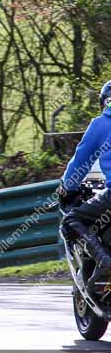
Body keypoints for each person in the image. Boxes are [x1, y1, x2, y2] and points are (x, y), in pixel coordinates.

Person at [59, 80, 111, 287]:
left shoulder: (101, 124)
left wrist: (66, 188)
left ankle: (104, 261)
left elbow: (80, 163)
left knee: (71, 222)